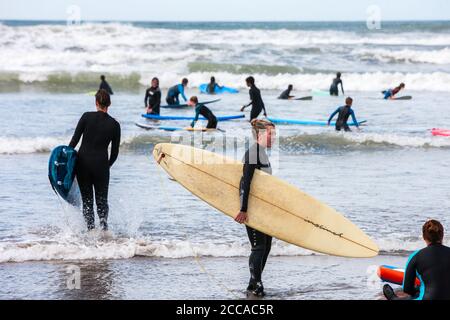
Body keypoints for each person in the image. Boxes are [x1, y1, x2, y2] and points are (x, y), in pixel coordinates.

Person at [69, 89, 121, 231]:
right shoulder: (115, 125)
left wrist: (67, 163)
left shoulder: (86, 117)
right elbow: (115, 153)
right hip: (101, 166)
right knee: (102, 201)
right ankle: (104, 229)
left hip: (83, 164)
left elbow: (74, 142)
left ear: (96, 102)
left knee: (87, 201)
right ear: (109, 104)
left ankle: (90, 231)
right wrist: (106, 166)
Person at [235, 119, 276, 297]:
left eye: (274, 134)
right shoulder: (253, 154)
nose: (273, 137)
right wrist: (243, 209)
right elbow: (245, 183)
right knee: (258, 247)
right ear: (260, 134)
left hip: (263, 208)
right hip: (252, 208)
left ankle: (253, 282)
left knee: (266, 245)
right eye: (270, 134)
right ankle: (256, 284)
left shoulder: (262, 153)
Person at [383, 220, 450, 300]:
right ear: (442, 235)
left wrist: (418, 289)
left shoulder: (416, 256)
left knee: (413, 296)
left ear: (424, 237)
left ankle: (393, 298)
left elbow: (407, 289)